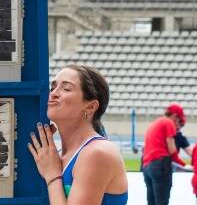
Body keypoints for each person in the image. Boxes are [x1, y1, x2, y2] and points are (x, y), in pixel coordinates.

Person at [27, 64, 128, 205]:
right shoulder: (57, 157)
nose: (53, 93)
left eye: (66, 88)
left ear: (91, 106)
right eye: (53, 87)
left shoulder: (97, 153)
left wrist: (52, 176)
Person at [141, 103, 186, 205]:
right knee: (162, 202)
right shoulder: (168, 123)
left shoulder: (154, 123)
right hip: (159, 165)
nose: (178, 124)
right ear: (174, 116)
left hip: (147, 166)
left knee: (151, 202)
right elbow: (172, 150)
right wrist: (183, 165)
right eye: (179, 120)